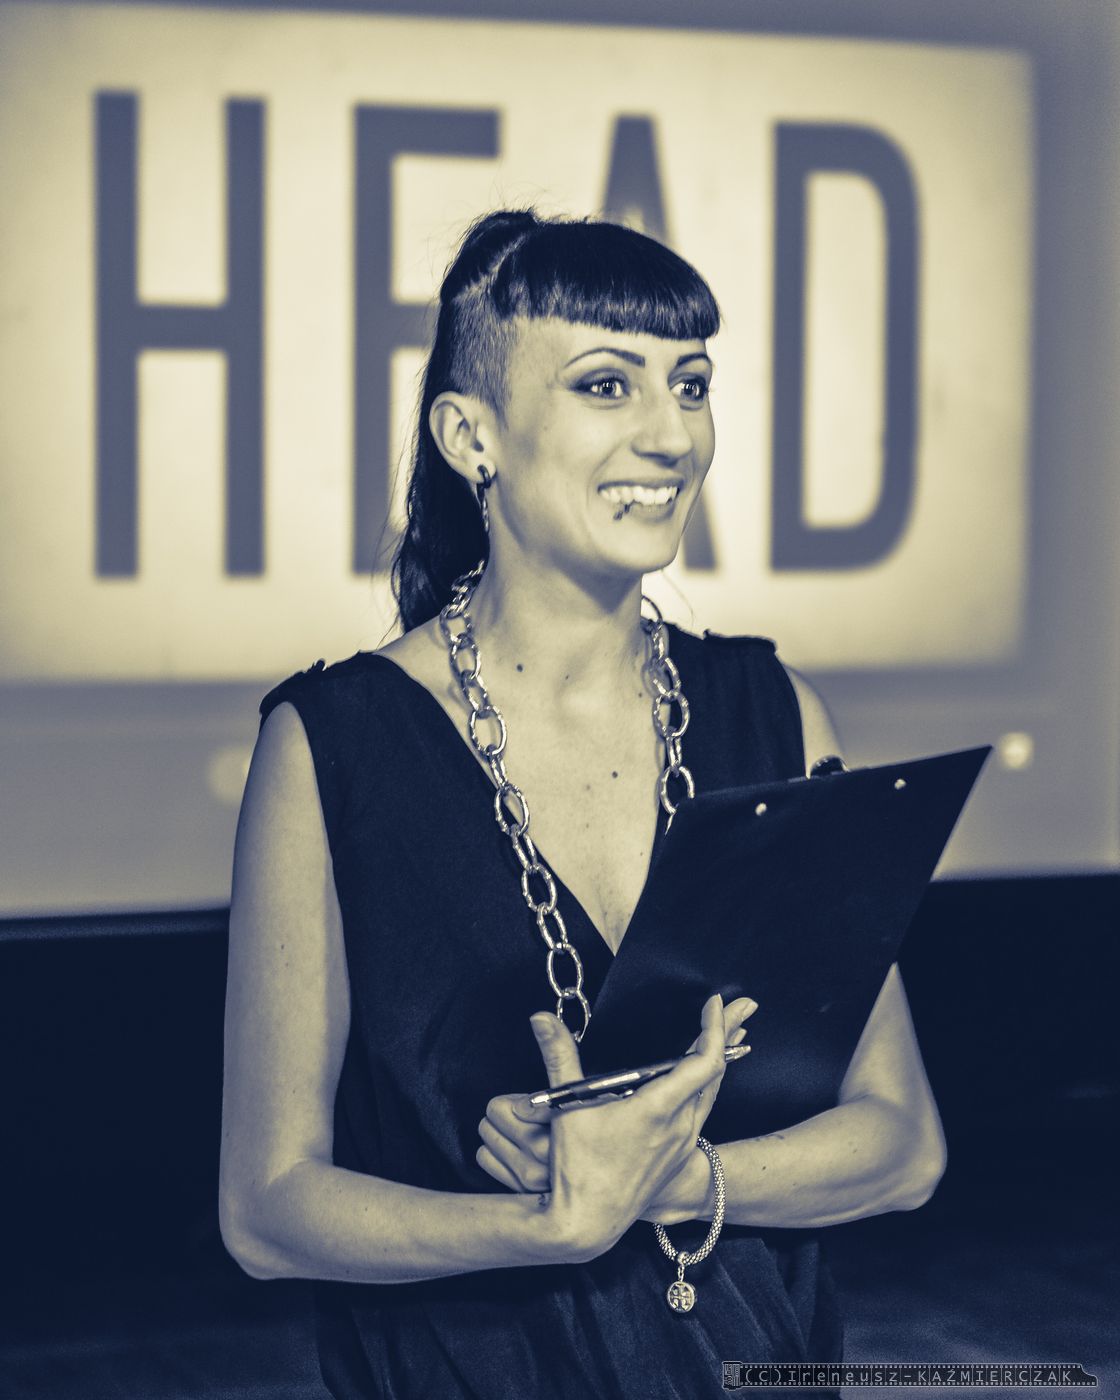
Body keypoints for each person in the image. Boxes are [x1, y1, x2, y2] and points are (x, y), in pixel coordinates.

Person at [219, 208, 947, 1399]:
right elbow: (266, 1207)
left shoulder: (774, 712)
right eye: (608, 385)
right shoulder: (334, 744)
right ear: (472, 435)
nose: (671, 434)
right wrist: (548, 1222)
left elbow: (902, 1142)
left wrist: (666, 1177)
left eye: (690, 384)